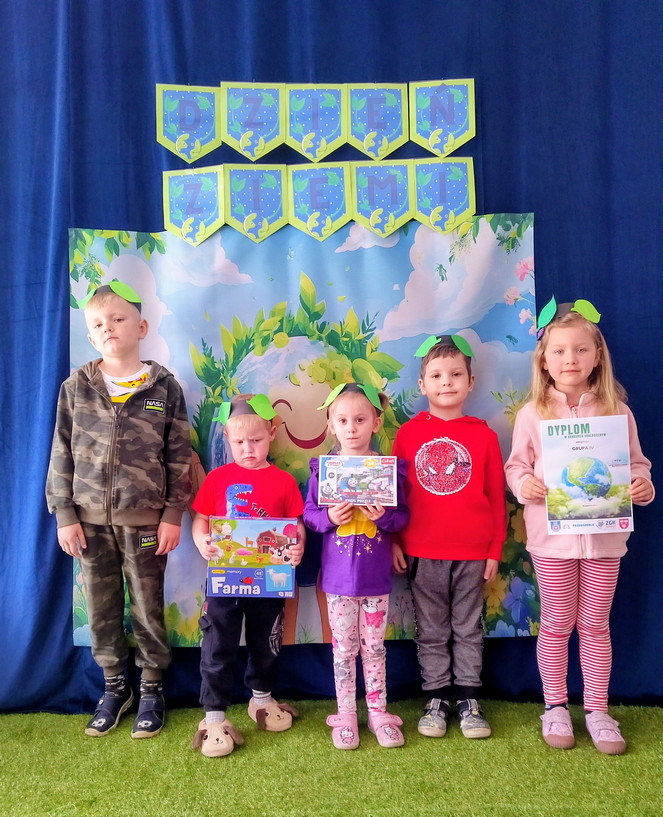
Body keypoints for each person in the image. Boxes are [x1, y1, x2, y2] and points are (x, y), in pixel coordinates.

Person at [505, 298, 653, 754]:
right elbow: (516, 466)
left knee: (595, 625)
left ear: (597, 356)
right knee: (555, 624)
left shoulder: (617, 411)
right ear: (544, 361)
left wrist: (642, 484)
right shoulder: (532, 414)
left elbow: (637, 463)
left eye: (581, 349)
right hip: (552, 542)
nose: (570, 359)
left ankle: (597, 711)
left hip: (605, 540)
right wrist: (525, 484)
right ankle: (554, 706)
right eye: (560, 351)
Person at [46, 282, 192, 738]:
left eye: (118, 318)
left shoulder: (164, 388)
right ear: (90, 336)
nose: (108, 327)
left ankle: (151, 688)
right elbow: (61, 452)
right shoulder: (76, 387)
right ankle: (114, 688)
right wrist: (65, 515)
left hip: (146, 521)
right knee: (101, 607)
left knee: (147, 606)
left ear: (141, 327)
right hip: (87, 523)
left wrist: (172, 515)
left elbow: (179, 456)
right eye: (97, 324)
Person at [392, 334, 506, 740]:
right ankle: (436, 698)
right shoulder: (407, 435)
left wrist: (494, 549)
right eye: (437, 375)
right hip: (421, 552)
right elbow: (394, 495)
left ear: (470, 382)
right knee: (432, 630)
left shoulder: (484, 436)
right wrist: (395, 542)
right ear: (422, 385)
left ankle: (469, 700)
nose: (446, 382)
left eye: (456, 374)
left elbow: (496, 498)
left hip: (473, 553)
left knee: (468, 628)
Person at [190, 394, 305, 758]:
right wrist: (201, 541)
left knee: (265, 643)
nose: (248, 449)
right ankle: (213, 715)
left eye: (255, 440)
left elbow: (296, 526)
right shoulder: (217, 478)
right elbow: (201, 520)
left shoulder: (284, 481)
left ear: (271, 434)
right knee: (217, 645)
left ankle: (261, 698)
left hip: (269, 582)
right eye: (239, 442)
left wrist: (297, 547)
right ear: (227, 438)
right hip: (224, 580)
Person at [303, 383, 409, 749]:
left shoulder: (388, 471)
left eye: (360, 420)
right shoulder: (323, 471)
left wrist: (384, 518)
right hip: (337, 582)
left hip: (376, 579)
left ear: (376, 424)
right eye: (343, 420)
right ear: (331, 426)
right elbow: (309, 516)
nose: (351, 428)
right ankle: (346, 712)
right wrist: (329, 517)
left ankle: (378, 711)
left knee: (375, 648)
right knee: (343, 650)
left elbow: (402, 517)